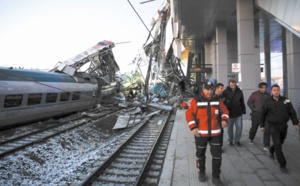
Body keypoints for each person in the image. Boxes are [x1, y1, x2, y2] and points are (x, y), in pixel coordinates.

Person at [186, 81, 229, 185]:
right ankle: (201, 172)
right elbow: (189, 114)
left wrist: (224, 119)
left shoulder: (218, 100)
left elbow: (225, 111)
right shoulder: (196, 100)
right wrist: (192, 127)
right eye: (207, 89)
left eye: (211, 89)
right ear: (203, 89)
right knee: (200, 155)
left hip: (216, 133)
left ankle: (216, 176)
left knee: (217, 156)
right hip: (200, 134)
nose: (209, 91)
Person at [260, 84, 299, 173]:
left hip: (283, 126)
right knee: (277, 144)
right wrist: (262, 125)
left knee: (280, 142)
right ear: (271, 91)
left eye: (277, 90)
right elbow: (262, 114)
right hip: (273, 126)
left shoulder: (286, 100)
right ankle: (282, 164)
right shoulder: (267, 101)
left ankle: (272, 149)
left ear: (279, 91)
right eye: (274, 90)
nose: (276, 92)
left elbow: (292, 112)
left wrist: (295, 123)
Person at [221, 79, 246, 146]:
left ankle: (237, 140)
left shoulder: (239, 91)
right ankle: (230, 140)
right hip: (230, 113)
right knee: (229, 128)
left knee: (239, 128)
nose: (233, 86)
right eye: (232, 85)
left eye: (234, 85)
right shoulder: (225, 92)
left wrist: (243, 110)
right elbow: (223, 102)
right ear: (229, 84)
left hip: (238, 113)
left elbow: (242, 101)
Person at [247, 82, 271, 150]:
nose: (264, 89)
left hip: (266, 116)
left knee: (267, 130)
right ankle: (251, 138)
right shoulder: (254, 94)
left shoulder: (268, 95)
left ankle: (266, 145)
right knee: (254, 128)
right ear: (259, 88)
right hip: (256, 114)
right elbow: (249, 102)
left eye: (265, 88)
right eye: (262, 88)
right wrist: (254, 109)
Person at [214, 83, 225, 148]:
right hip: (214, 118)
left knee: (220, 132)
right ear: (217, 88)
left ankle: (219, 146)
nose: (222, 90)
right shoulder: (212, 97)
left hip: (221, 118)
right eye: (221, 88)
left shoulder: (223, 96)